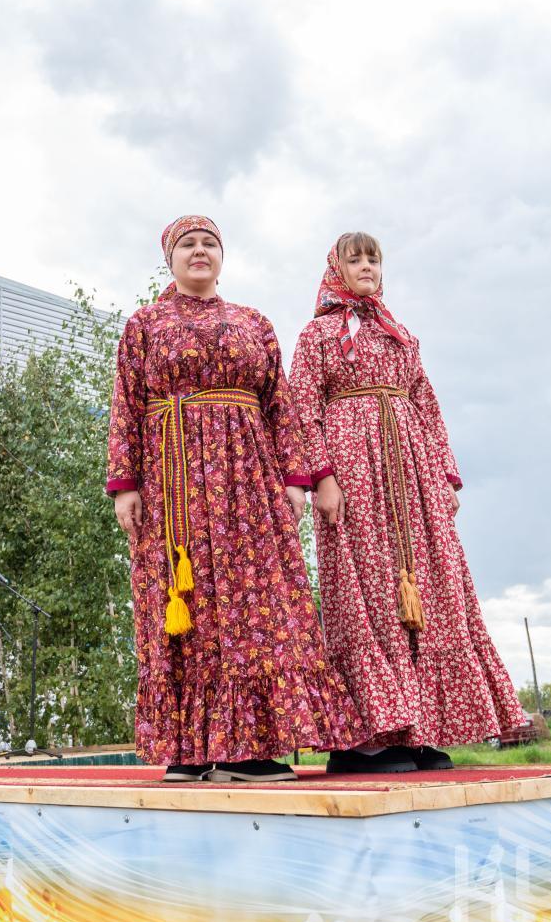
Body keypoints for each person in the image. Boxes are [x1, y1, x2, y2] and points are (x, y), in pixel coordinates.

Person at [108, 216, 367, 783]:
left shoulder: (255, 323)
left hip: (249, 482)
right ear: (170, 258)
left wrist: (296, 478)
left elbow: (281, 405)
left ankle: (249, 749)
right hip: (173, 482)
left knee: (256, 600)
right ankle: (188, 750)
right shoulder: (144, 324)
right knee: (185, 601)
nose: (199, 251)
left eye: (209, 244)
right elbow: (125, 404)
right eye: (187, 244)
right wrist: (124, 484)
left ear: (222, 257)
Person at [290, 232, 529, 773]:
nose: (367, 266)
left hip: (413, 475)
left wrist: (444, 475)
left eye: (373, 259)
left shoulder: (400, 335)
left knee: (433, 588)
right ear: (336, 269)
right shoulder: (317, 335)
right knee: (368, 588)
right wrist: (322, 477)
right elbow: (303, 407)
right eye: (355, 259)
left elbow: (427, 404)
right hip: (353, 473)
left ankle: (419, 731)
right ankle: (368, 740)